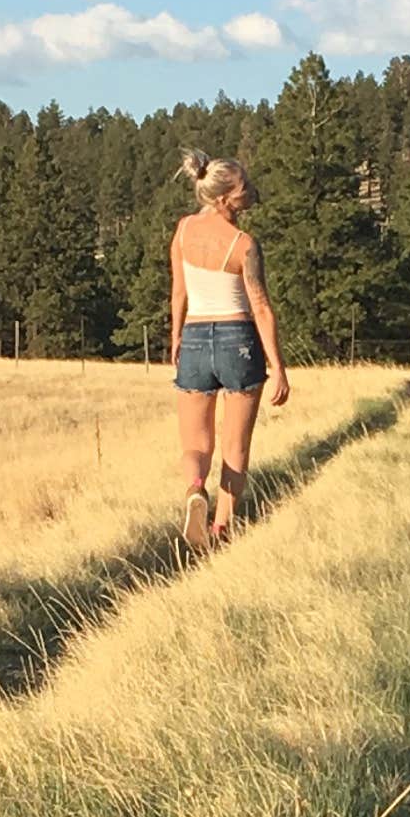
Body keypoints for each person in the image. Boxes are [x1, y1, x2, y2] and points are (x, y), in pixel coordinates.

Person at [167, 152, 289, 550]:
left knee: (195, 444)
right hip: (239, 340)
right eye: (242, 189)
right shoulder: (244, 244)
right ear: (223, 199)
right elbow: (261, 307)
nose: (250, 192)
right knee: (235, 446)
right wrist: (278, 366)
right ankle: (221, 529)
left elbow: (179, 292)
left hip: (196, 337)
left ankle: (195, 489)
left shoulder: (183, 231)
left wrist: (176, 337)